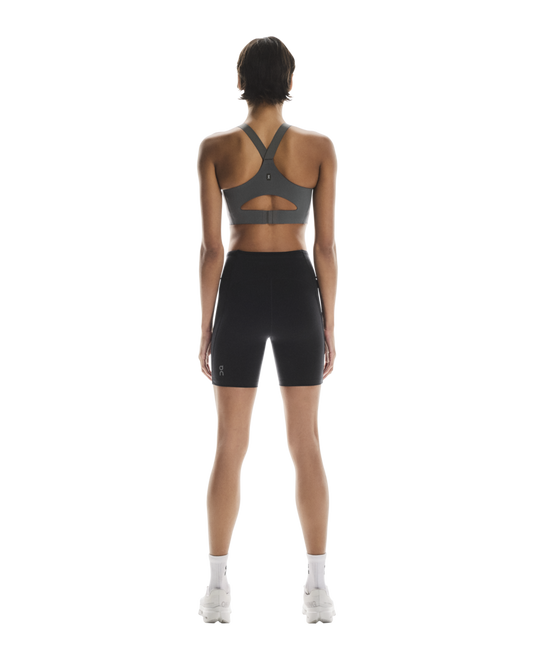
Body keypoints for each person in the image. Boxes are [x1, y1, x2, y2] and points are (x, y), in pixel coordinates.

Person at [194, 34, 340, 626]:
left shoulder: (215, 147)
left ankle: (217, 588)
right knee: (307, 444)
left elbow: (211, 250)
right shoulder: (320, 147)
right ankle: (318, 588)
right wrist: (329, 324)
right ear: (291, 82)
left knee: (229, 444)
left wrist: (204, 325)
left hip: (243, 287)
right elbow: (326, 249)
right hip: (299, 288)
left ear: (239, 82)